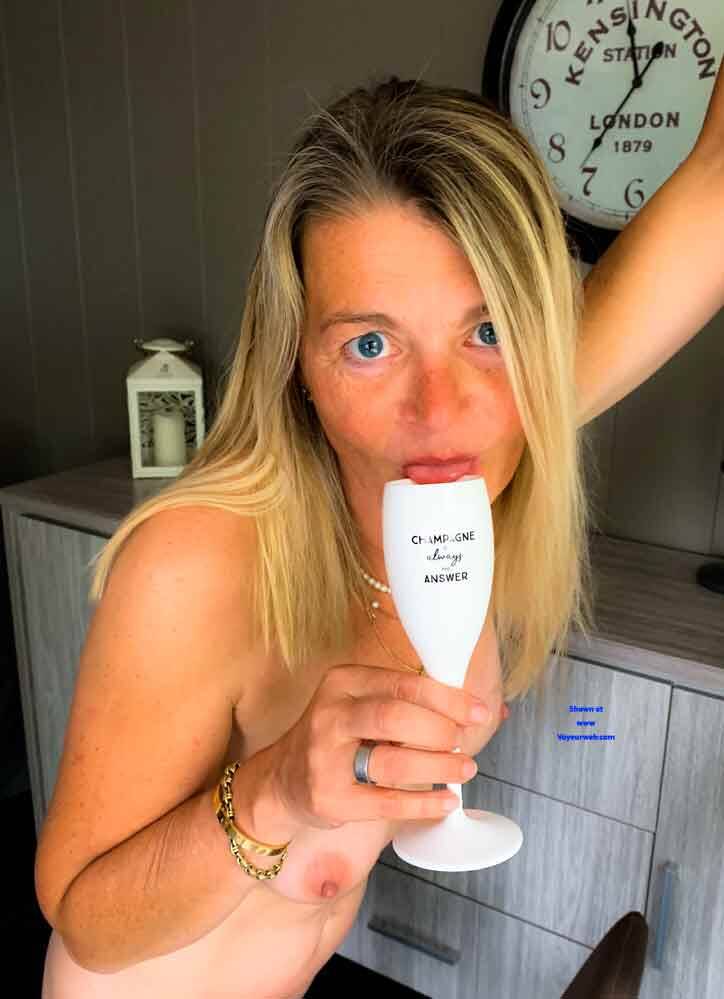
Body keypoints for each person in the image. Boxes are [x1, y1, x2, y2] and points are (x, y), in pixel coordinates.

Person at [34, 65, 724, 998]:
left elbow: (716, 188)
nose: (438, 410)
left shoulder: (484, 452)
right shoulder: (200, 563)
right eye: (370, 344)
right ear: (299, 363)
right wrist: (278, 789)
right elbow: (83, 917)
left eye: (488, 330)